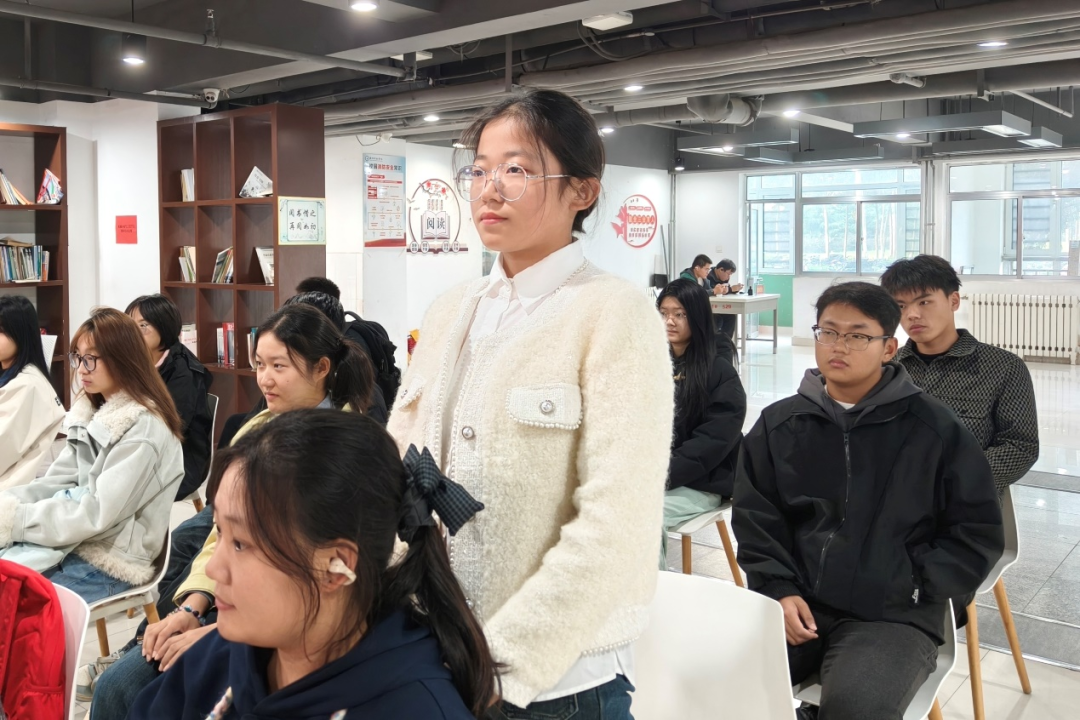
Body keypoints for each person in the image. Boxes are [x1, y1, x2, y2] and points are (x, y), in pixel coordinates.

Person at [388, 89, 673, 719]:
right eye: (479, 170)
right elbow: (399, 467)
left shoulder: (614, 314)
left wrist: (503, 663)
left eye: (516, 170)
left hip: (552, 682)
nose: (489, 190)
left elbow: (618, 521)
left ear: (582, 191)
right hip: (428, 651)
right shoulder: (450, 311)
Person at [85, 302, 378, 718]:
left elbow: (312, 586)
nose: (265, 379)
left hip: (279, 624)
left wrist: (216, 632)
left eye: (279, 366)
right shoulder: (258, 427)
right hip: (230, 602)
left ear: (322, 368)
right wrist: (193, 606)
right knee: (124, 679)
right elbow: (219, 538)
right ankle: (147, 635)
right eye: (259, 364)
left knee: (131, 688)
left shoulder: (347, 450)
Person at [732, 282, 1004, 720]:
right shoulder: (779, 424)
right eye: (828, 332)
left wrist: (914, 586)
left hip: (891, 616)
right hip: (798, 605)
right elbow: (756, 517)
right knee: (713, 688)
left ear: (888, 348)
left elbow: (976, 532)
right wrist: (777, 588)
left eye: (857, 335)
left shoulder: (935, 429)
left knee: (856, 709)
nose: (838, 346)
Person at [128, 410, 498, 719]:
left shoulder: (418, 708)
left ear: (335, 566)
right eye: (220, 532)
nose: (214, 569)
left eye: (240, 544)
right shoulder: (219, 657)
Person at [0, 308, 184, 602]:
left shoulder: (143, 427)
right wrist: (8, 507)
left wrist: (18, 522)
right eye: (78, 357)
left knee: (13, 602)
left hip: (111, 557)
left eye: (91, 359)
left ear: (123, 359)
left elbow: (97, 513)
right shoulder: (91, 412)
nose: (82, 369)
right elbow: (56, 482)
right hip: (79, 537)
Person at [881, 255, 1039, 497]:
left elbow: (1020, 446)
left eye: (924, 302)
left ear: (953, 300)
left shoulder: (1004, 367)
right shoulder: (887, 368)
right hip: (894, 503)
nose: (912, 314)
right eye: (900, 306)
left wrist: (952, 479)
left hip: (966, 506)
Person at [657, 279, 746, 568]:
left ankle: (652, 593)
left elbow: (711, 443)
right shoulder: (651, 362)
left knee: (641, 517)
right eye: (663, 313)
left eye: (679, 314)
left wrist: (660, 475)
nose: (669, 321)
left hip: (702, 482)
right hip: (654, 475)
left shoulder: (718, 370)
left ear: (697, 316)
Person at [126, 294, 214, 501]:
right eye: (129, 325)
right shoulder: (137, 361)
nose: (133, 333)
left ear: (164, 327)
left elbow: (170, 427)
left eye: (143, 326)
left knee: (119, 486)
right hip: (143, 448)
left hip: (180, 460)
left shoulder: (184, 372)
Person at [0, 295, 65, 490]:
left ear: (21, 335)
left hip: (10, 490)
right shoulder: (14, 375)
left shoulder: (27, 385)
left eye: (1, 331)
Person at [706, 259, 742, 341]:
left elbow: (725, 290)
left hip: (719, 306)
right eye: (728, 274)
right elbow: (716, 291)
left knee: (731, 316)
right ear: (721, 270)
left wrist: (734, 289)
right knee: (718, 318)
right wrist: (731, 289)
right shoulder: (708, 276)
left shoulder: (723, 278)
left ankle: (726, 343)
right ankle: (715, 343)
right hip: (710, 308)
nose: (728, 277)